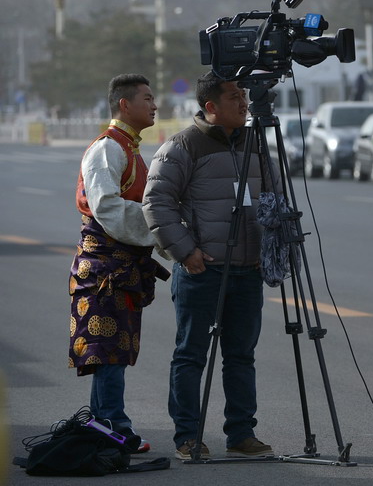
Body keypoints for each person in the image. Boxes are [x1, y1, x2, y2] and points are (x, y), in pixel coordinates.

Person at [142, 74, 276, 460]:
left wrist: (272, 254)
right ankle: (188, 436)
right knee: (191, 355)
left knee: (241, 355)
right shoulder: (182, 145)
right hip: (203, 271)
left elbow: (275, 197)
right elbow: (157, 203)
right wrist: (185, 252)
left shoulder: (256, 144)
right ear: (211, 106)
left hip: (247, 269)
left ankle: (241, 434)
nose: (245, 104)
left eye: (245, 96)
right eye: (235, 97)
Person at [68, 74, 169, 454]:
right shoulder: (109, 148)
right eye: (147, 98)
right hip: (105, 271)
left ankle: (104, 426)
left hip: (118, 270)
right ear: (125, 105)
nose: (154, 105)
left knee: (113, 349)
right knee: (109, 349)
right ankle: (114, 426)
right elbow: (106, 207)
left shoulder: (128, 147)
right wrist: (159, 227)